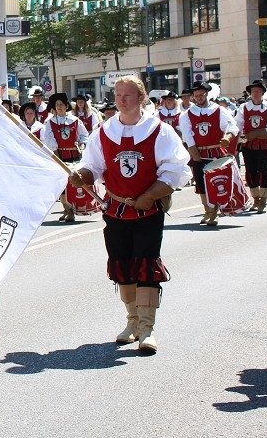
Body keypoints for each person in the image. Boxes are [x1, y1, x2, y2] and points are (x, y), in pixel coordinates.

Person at [69, 77, 191, 354]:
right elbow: (93, 165)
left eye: (128, 95)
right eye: (118, 95)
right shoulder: (103, 132)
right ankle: (132, 322)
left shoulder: (159, 131)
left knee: (146, 264)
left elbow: (176, 168)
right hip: (116, 210)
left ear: (141, 98)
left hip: (148, 211)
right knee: (121, 265)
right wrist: (82, 175)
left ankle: (148, 328)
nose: (122, 100)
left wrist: (150, 195)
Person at [179, 81, 239, 226]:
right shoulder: (188, 114)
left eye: (201, 95)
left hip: (216, 151)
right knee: (201, 183)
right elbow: (187, 134)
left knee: (216, 181)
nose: (199, 97)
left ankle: (214, 212)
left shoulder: (219, 110)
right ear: (193, 97)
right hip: (199, 152)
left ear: (207, 94)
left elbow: (232, 126)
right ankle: (207, 211)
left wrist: (228, 138)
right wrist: (193, 153)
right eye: (197, 95)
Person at [236, 80, 267, 213]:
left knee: (262, 172)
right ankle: (255, 198)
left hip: (262, 145)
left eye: (258, 91)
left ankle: (263, 200)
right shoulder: (244, 107)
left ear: (262, 92)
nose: (255, 94)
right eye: (253, 91)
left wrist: (258, 133)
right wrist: (237, 138)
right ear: (250, 93)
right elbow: (238, 124)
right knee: (250, 172)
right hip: (248, 145)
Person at [41, 92, 89, 222]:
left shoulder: (75, 121)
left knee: (74, 183)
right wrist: (57, 159)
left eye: (61, 104)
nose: (59, 107)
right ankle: (67, 209)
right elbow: (49, 142)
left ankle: (74, 209)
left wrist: (82, 146)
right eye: (57, 105)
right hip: (60, 157)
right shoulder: (50, 123)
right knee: (62, 185)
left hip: (75, 156)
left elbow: (84, 136)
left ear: (66, 106)